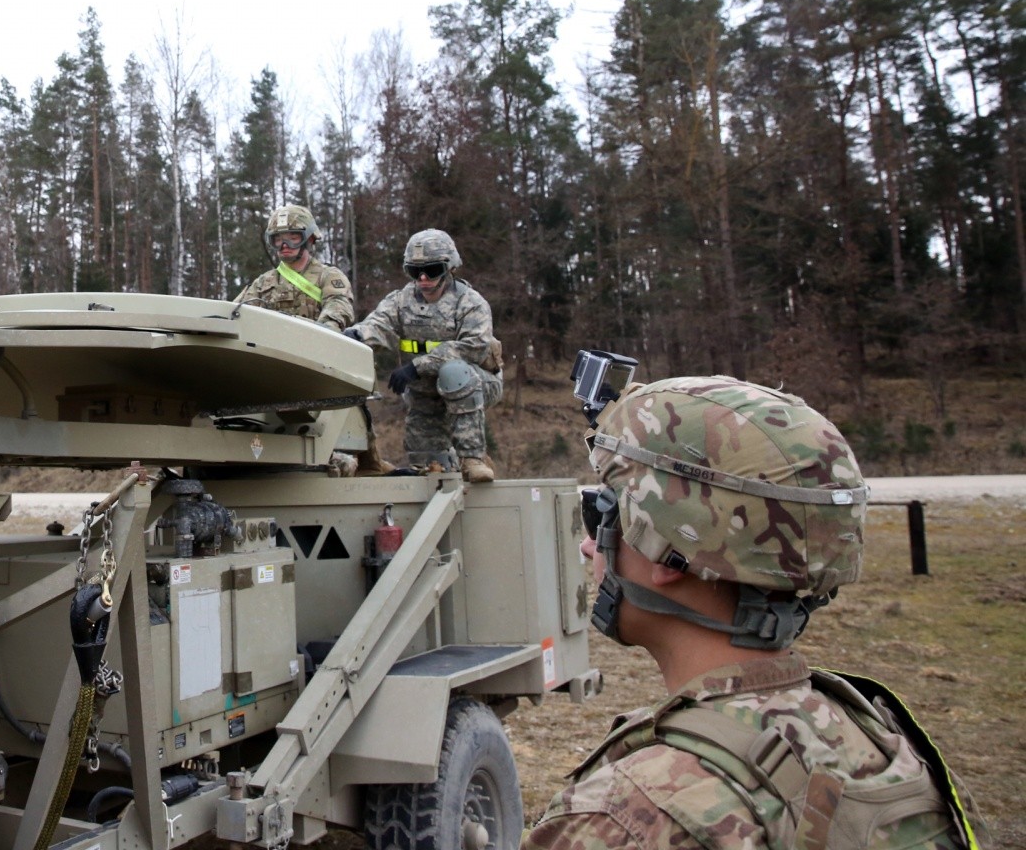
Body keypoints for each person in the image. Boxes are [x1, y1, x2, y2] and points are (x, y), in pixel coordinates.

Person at [525, 375, 985, 850]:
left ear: (665, 548)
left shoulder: (627, 818)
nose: (587, 545)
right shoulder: (887, 741)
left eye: (601, 515)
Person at [344, 229, 503, 482]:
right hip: (424, 389)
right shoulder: (401, 301)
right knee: (427, 466)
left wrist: (417, 366)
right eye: (415, 271)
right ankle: (441, 465)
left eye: (432, 269)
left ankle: (473, 458)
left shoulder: (471, 303)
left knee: (453, 372)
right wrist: (356, 336)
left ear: (449, 268)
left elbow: (473, 347)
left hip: (475, 383)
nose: (424, 278)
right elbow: (379, 324)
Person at [234, 204, 355, 331]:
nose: (285, 245)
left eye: (293, 238)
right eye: (278, 240)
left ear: (310, 239)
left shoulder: (328, 277)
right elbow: (237, 314)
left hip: (312, 346)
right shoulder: (263, 283)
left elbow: (338, 309)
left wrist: (326, 328)